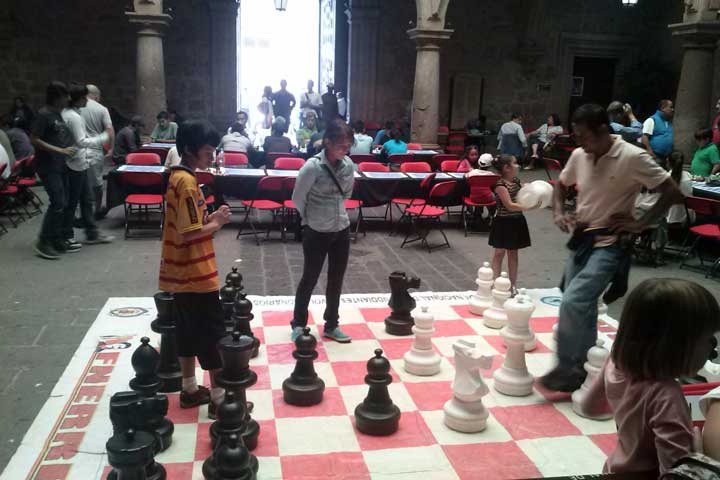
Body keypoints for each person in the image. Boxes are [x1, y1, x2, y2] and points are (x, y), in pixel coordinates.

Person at [541, 103, 683, 392]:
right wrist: (558, 212)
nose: (579, 143)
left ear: (603, 130)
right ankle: (584, 366)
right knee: (580, 302)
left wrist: (641, 222)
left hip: (611, 243)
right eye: (577, 136)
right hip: (582, 238)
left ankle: (566, 367)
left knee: (574, 301)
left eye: (584, 136)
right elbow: (560, 185)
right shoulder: (580, 155)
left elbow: (671, 191)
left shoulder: (632, 156)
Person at [580, 278, 719, 475]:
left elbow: (590, 406)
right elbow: (676, 473)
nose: (713, 348)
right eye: (708, 339)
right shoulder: (665, 395)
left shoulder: (615, 361)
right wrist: (697, 456)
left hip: (614, 469)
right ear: (676, 346)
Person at [159, 119, 231, 418]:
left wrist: (209, 218)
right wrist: (217, 223)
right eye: (207, 150)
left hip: (180, 272)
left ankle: (189, 389)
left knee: (187, 331)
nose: (212, 156)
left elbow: (188, 224)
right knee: (212, 333)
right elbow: (190, 233)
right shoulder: (187, 183)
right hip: (196, 272)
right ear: (189, 150)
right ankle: (219, 399)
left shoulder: (178, 177)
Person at [291, 119, 355, 343]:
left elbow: (347, 194)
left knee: (336, 279)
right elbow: (298, 198)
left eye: (348, 146)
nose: (345, 150)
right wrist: (309, 219)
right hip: (316, 229)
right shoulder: (312, 167)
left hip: (341, 227)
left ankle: (331, 325)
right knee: (310, 277)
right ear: (328, 142)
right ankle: (298, 323)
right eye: (341, 145)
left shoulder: (348, 165)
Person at [61, 83, 114, 245]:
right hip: (76, 162)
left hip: (80, 161)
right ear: (78, 99)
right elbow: (81, 141)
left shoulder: (68, 113)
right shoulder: (74, 116)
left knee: (86, 198)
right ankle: (66, 235)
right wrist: (102, 138)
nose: (87, 100)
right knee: (73, 201)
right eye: (84, 98)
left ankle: (92, 232)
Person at [31, 81, 77, 259]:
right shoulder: (43, 114)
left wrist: (69, 149)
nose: (68, 99)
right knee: (57, 202)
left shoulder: (57, 113)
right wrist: (60, 150)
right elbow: (34, 139)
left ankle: (56, 238)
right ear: (57, 97)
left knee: (63, 203)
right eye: (65, 96)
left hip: (60, 164)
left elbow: (58, 135)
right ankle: (43, 242)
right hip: (47, 166)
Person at [488, 155, 533, 290]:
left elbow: (523, 192)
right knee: (499, 252)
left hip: (516, 221)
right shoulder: (500, 185)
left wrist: (530, 188)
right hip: (504, 222)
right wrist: (528, 206)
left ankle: (513, 285)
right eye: (515, 163)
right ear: (506, 168)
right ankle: (495, 283)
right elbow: (509, 205)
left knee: (513, 254)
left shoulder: (515, 181)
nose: (518, 165)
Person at [81, 84, 115, 219]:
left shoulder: (75, 107)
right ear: (96, 95)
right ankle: (97, 209)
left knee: (80, 182)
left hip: (77, 149)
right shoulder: (101, 109)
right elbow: (109, 130)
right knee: (97, 183)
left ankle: (83, 211)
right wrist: (111, 148)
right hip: (94, 150)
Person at [642, 99, 674, 167]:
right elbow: (644, 137)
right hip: (654, 157)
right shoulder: (652, 120)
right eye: (670, 107)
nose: (672, 110)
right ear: (663, 108)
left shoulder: (668, 122)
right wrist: (651, 153)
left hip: (665, 158)